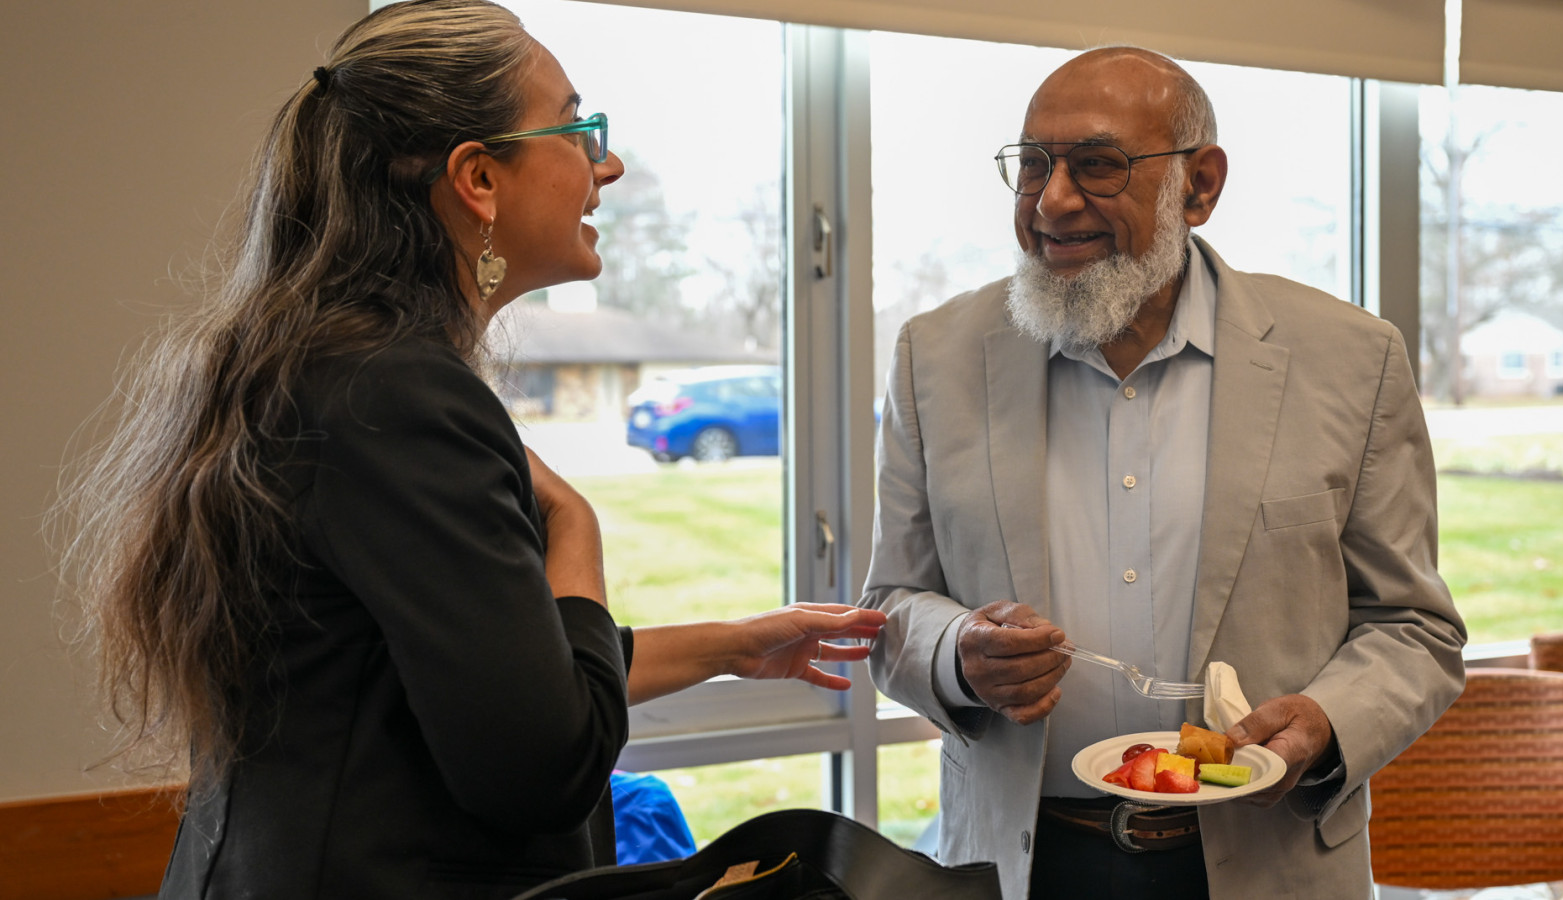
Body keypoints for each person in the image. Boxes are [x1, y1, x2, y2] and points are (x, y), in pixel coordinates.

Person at [53, 2, 884, 897]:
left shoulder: (323, 366)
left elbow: (484, 674)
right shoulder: (398, 394)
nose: (607, 164)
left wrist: (731, 646)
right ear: (479, 178)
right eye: (579, 128)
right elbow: (544, 763)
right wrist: (577, 525)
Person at [860, 47, 1466, 900]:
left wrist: (1328, 721)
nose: (1053, 201)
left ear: (1201, 186)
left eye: (1099, 165)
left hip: (1263, 860)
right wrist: (958, 654)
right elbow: (889, 604)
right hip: (1022, 862)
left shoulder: (1350, 359)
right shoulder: (938, 355)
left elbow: (1414, 626)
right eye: (1032, 166)